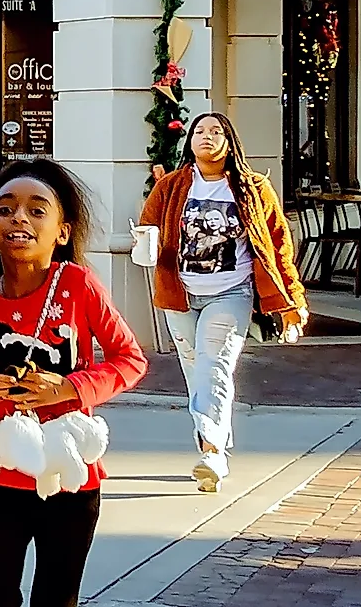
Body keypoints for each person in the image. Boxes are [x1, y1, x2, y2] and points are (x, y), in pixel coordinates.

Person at [0, 160, 147, 607]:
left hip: (69, 478)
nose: (19, 217)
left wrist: (69, 388)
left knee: (57, 598)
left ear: (62, 231)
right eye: (6, 209)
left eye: (38, 210)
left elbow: (129, 360)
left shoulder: (78, 285)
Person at [136, 109, 307, 493]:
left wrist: (292, 299)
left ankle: (212, 453)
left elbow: (278, 244)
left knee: (214, 367)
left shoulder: (252, 188)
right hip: (179, 294)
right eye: (199, 131)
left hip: (231, 292)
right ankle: (211, 440)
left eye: (216, 131)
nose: (206, 136)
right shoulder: (172, 187)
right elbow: (148, 228)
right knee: (195, 370)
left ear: (230, 142)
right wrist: (144, 245)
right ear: (190, 141)